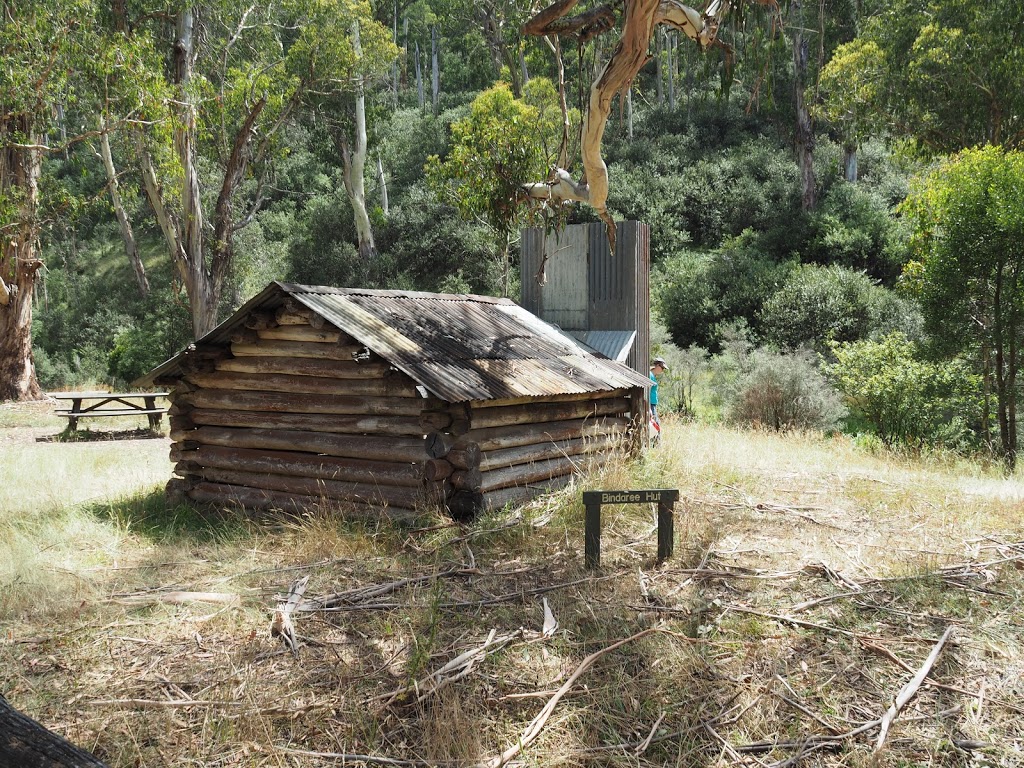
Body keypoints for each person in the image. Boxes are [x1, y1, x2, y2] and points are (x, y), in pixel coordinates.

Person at [649, 357, 668, 433]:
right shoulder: (649, 375)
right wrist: (649, 408)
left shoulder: (652, 375)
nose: (662, 370)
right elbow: (647, 392)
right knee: (656, 425)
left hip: (653, 404)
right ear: (657, 365)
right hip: (650, 404)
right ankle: (656, 444)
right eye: (662, 367)